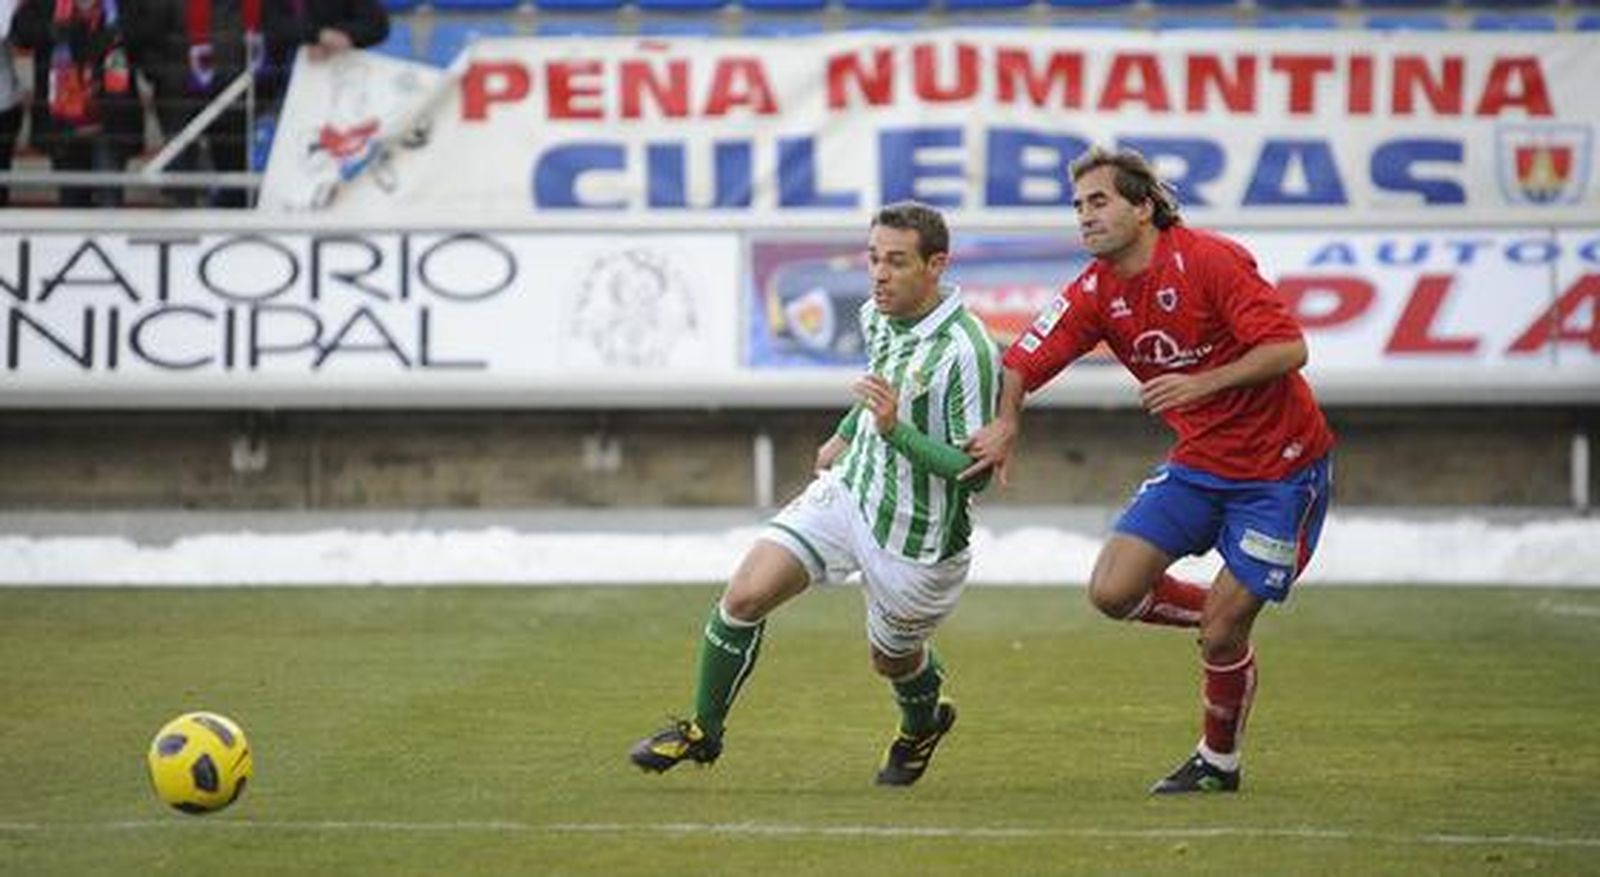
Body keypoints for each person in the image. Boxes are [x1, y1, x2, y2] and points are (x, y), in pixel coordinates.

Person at [963, 146, 1335, 795]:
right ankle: (1225, 625)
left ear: (1143, 207)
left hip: (1282, 472)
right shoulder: (1095, 288)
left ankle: (1217, 761)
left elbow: (1289, 347)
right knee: (1113, 590)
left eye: (1099, 201)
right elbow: (1021, 359)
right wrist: (1007, 421)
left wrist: (1202, 382)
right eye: (1078, 205)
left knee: (1222, 631)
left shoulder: (1210, 259)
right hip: (1199, 465)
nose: (1085, 216)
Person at [629, 201, 1001, 787]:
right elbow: (880, 389)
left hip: (918, 541)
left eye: (896, 261)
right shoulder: (879, 314)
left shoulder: (968, 352)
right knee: (745, 594)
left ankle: (923, 722)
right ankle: (703, 732)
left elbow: (975, 472)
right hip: (853, 491)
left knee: (892, 660)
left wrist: (891, 430)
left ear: (937, 265)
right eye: (874, 258)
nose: (878, 273)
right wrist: (845, 433)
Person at [11, 0, 145, 207]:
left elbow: (148, 34)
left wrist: (122, 34)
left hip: (111, 120)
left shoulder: (122, 5)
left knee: (110, 201)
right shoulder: (46, 4)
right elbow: (20, 34)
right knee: (72, 201)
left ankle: (108, 240)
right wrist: (50, 30)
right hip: (63, 122)